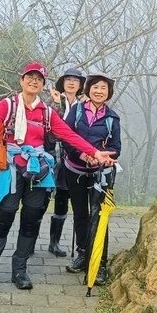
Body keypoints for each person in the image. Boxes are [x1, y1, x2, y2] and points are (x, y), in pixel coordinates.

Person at [0, 62, 116, 296]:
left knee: (30, 221)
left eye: (39, 79)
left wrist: (95, 152)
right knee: (3, 219)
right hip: (13, 170)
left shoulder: (47, 112)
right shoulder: (9, 105)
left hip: (39, 172)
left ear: (43, 84)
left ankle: (20, 271)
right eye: (30, 77)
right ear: (22, 80)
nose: (34, 81)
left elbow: (68, 134)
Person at [62, 73, 121, 283]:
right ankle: (83, 254)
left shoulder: (112, 118)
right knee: (81, 214)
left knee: (100, 216)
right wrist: (82, 154)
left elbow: (116, 148)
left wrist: (100, 157)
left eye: (103, 88)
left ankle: (100, 263)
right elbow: (65, 136)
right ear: (88, 90)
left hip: (99, 174)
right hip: (75, 170)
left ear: (109, 93)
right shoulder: (77, 111)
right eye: (95, 87)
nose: (99, 91)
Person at [45, 67, 86, 257]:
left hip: (73, 156)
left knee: (63, 196)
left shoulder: (83, 105)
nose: (71, 83)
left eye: (75, 80)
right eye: (68, 79)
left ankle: (55, 242)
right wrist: (57, 103)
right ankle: (28, 241)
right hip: (52, 154)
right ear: (63, 83)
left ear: (80, 85)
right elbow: (49, 126)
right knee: (41, 199)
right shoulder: (53, 100)